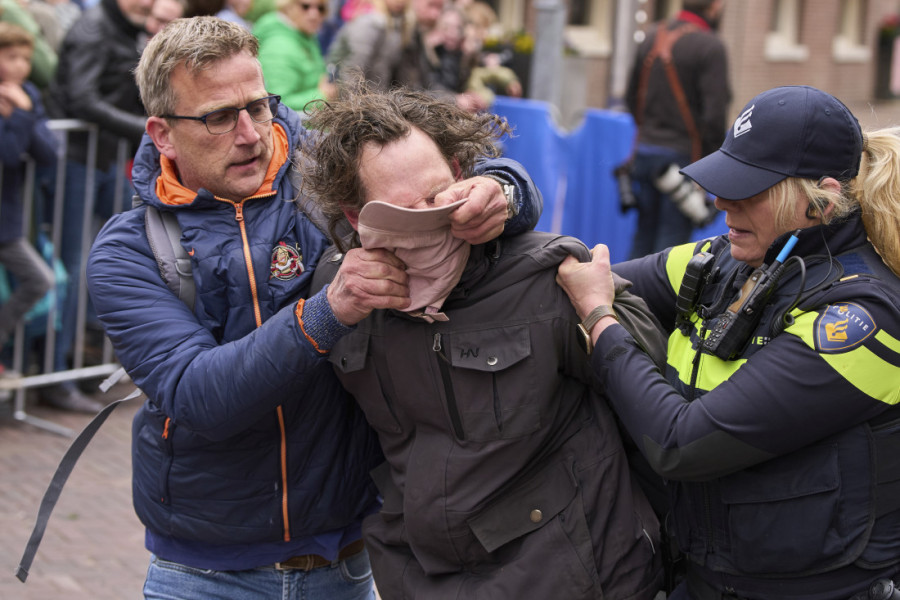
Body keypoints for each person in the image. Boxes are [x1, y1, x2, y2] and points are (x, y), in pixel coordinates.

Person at [85, 16, 541, 599]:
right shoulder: (128, 251)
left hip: (349, 561)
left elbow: (456, 177)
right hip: (201, 575)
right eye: (219, 117)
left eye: (258, 106)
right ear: (163, 133)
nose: (249, 134)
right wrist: (330, 310)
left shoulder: (327, 169)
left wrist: (503, 191)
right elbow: (198, 395)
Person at [298, 84, 665, 599]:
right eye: (404, 211)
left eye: (437, 197)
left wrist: (600, 310)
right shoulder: (345, 293)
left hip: (567, 576)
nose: (430, 219)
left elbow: (657, 397)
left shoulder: (545, 276)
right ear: (358, 218)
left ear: (460, 174)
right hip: (421, 575)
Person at [557, 85, 900, 599]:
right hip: (702, 577)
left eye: (748, 190)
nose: (720, 202)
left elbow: (679, 444)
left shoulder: (864, 318)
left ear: (820, 201)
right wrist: (507, 195)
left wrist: (601, 321)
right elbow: (583, 271)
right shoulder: (729, 258)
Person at [43, 0, 151, 412]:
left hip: (103, 159)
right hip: (75, 159)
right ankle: (57, 375)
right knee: (72, 264)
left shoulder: (125, 28)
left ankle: (85, 361)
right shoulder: (94, 28)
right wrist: (144, 129)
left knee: (120, 253)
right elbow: (81, 98)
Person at [623, 0, 730, 258]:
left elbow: (630, 98)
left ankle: (624, 286)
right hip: (682, 161)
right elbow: (715, 117)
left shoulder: (651, 35)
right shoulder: (710, 46)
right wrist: (709, 167)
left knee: (643, 240)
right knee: (671, 252)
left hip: (645, 154)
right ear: (715, 5)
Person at [0, 22, 56, 374]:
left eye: (25, 58)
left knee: (40, 279)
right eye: (11, 57)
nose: (20, 65)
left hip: (8, 217)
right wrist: (22, 116)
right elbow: (8, 153)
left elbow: (48, 151)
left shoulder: (27, 94)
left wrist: (21, 112)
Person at [254, 0, 336, 113]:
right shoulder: (279, 48)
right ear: (288, 6)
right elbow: (276, 103)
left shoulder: (304, 34)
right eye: (305, 6)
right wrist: (323, 96)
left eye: (320, 8)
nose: (314, 14)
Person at [325, 0, 411, 92]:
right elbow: (354, 70)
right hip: (353, 92)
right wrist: (353, 98)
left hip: (378, 93)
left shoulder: (400, 24)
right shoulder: (369, 22)